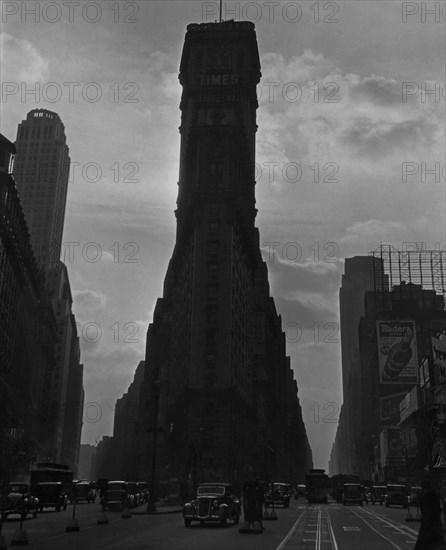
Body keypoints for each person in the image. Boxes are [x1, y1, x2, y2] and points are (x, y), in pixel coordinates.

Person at [413, 479, 446, 550]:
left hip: (429, 525)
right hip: (434, 524)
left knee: (425, 543)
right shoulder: (433, 496)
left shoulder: (428, 497)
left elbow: (427, 510)